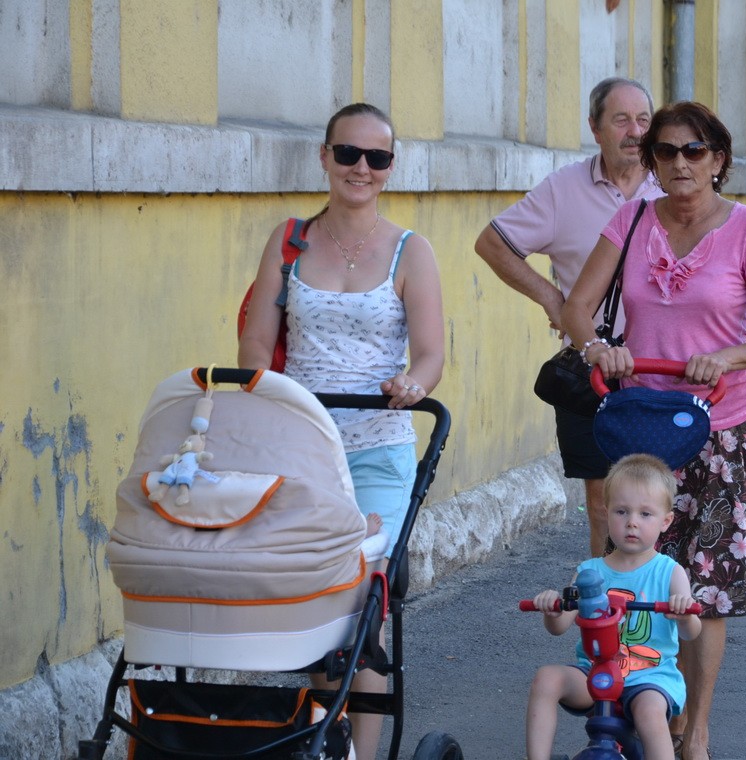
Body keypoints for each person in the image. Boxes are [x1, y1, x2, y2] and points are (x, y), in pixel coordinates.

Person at [562, 101, 746, 760]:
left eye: (695, 150)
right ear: (652, 161)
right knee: (638, 573)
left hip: (720, 428)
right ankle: (646, 697)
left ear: (718, 159)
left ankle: (696, 726)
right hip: (642, 427)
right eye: (666, 151)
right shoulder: (632, 220)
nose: (680, 163)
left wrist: (726, 357)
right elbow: (579, 307)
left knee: (705, 589)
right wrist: (597, 349)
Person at [238, 102, 445, 760]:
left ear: (390, 167)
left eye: (376, 157)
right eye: (348, 153)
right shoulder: (290, 240)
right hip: (303, 449)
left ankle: (361, 751)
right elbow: (255, 343)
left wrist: (414, 384)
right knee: (317, 605)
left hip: (378, 449)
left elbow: (431, 354)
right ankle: (329, 741)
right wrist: (267, 397)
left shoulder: (411, 250)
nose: (361, 168)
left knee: (363, 609)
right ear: (324, 157)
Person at [474, 78, 663, 558]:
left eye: (643, 120)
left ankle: (663, 594)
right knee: (604, 504)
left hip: (664, 365)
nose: (634, 131)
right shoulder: (564, 189)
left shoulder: (673, 183)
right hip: (593, 366)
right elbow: (492, 243)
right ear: (595, 128)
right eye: (621, 120)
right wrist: (550, 297)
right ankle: (610, 600)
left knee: (664, 499)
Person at [526, 454, 701, 760]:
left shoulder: (669, 572)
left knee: (649, 712)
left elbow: (691, 633)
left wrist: (683, 613)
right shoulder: (590, 572)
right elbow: (559, 627)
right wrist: (553, 612)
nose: (632, 522)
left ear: (665, 521)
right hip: (595, 673)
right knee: (547, 678)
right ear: (606, 514)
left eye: (645, 514)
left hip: (650, 676)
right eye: (622, 511)